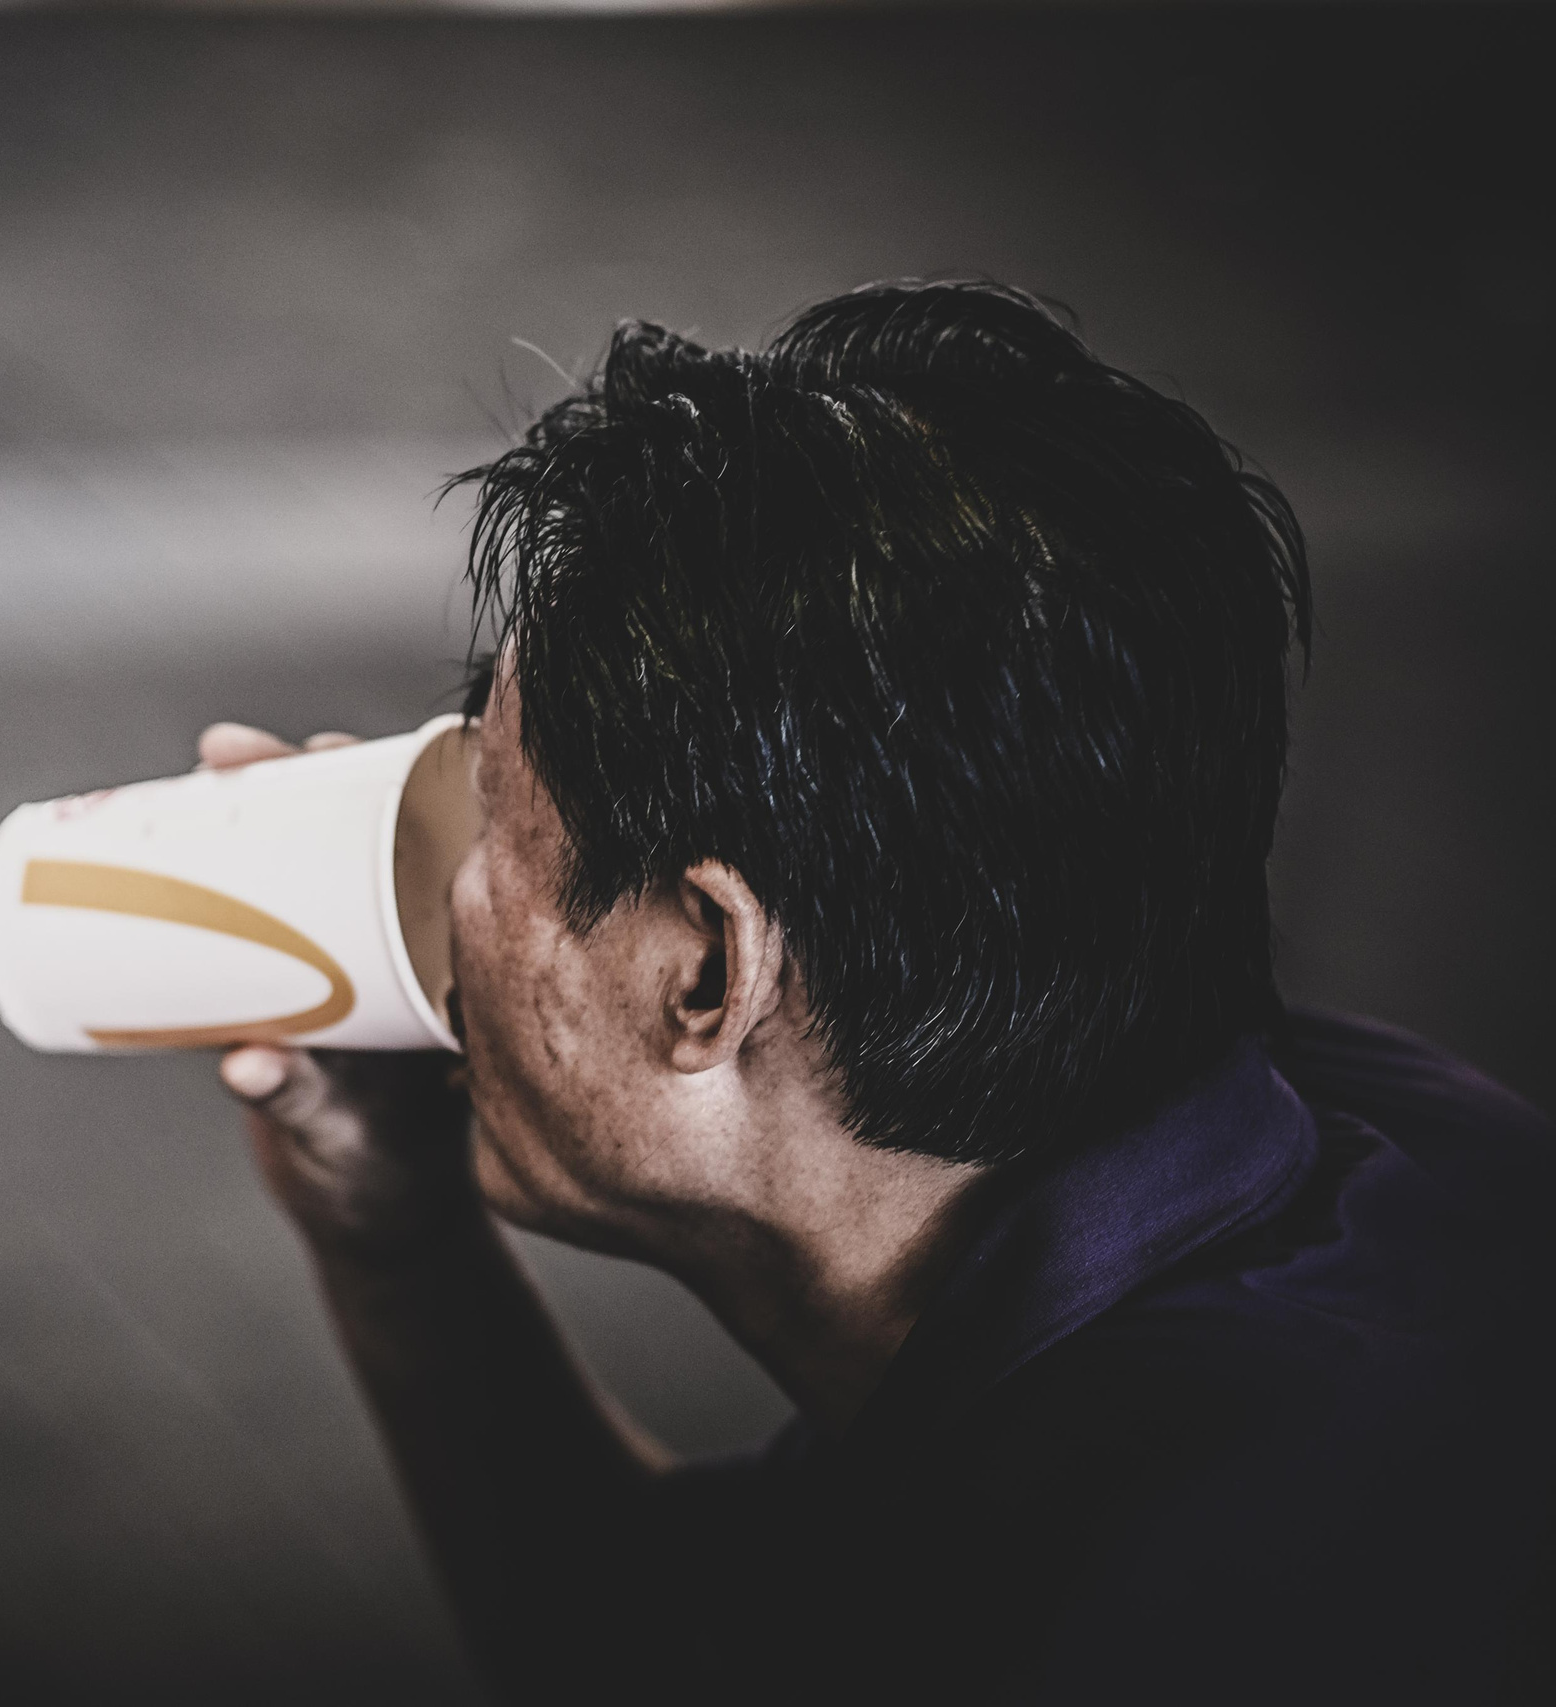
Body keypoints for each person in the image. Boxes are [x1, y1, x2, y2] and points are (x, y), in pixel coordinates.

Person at [202, 282, 1554, 1703]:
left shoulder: (1165, 1616)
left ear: (708, 972)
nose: (450, 884)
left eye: (489, 816)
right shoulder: (1285, 1174)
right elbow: (692, 1655)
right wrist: (393, 1225)